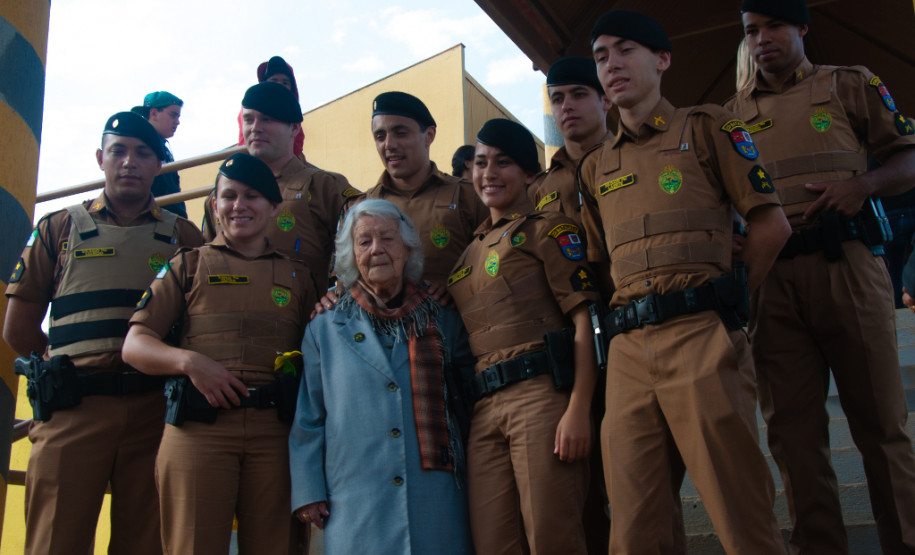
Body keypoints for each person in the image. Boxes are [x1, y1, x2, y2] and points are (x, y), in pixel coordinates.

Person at [580, 10, 792, 553]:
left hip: (702, 332)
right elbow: (603, 265)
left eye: (625, 49)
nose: (612, 65)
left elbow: (771, 224)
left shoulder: (707, 126)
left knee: (742, 517)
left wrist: (736, 302)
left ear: (662, 59)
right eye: (601, 56)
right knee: (633, 528)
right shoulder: (595, 167)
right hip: (628, 351)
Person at [725, 1, 915, 552]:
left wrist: (863, 186)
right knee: (793, 438)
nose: (762, 40)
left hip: (848, 265)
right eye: (752, 32)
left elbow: (908, 160)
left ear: (802, 28)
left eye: (774, 27)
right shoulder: (727, 117)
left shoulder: (849, 85)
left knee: (882, 426)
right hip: (772, 284)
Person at [2, 111, 203, 555]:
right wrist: (70, 369)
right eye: (119, 151)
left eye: (142, 153)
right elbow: (18, 328)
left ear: (157, 165)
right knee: (55, 540)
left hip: (155, 413)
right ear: (101, 158)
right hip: (74, 410)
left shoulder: (185, 238)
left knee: (147, 542)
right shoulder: (59, 228)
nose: (129, 162)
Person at [122, 152, 316, 554]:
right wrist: (189, 362)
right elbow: (135, 346)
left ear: (273, 207)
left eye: (251, 196)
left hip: (275, 436)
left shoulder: (299, 277)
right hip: (199, 431)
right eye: (228, 196)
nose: (238, 206)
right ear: (214, 204)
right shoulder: (188, 266)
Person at [448, 118, 599, 554]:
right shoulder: (466, 256)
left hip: (541, 398)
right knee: (494, 543)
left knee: (553, 539)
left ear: (530, 174)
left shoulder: (549, 230)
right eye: (480, 163)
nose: (488, 173)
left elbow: (584, 320)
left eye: (503, 162)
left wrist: (579, 408)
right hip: (484, 409)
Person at [289, 199, 475, 554]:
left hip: (436, 493)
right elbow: (309, 417)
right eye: (364, 241)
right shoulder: (325, 327)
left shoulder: (445, 318)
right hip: (356, 496)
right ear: (350, 255)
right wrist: (309, 491)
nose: (376, 249)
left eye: (387, 239)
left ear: (407, 248)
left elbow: (468, 400)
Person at [204, 81, 358, 292]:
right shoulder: (221, 196)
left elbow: (368, 242)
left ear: (294, 127)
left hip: (302, 318)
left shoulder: (324, 187)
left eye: (267, 119)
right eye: (249, 119)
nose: (255, 128)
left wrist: (339, 289)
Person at [359, 92, 488, 285]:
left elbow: (495, 266)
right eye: (380, 136)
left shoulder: (469, 196)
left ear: (429, 136)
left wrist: (457, 289)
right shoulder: (362, 207)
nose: (389, 145)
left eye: (400, 133)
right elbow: (348, 283)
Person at [528, 56, 612, 231]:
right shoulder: (539, 188)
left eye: (579, 95)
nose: (566, 106)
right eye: (557, 99)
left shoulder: (634, 158)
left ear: (606, 100)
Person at [237, 55, 306, 162]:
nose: (255, 128)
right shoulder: (250, 107)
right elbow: (244, 142)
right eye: (274, 80)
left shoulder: (291, 111)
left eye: (285, 82)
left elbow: (297, 142)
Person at [132, 91, 188, 218]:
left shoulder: (161, 147)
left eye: (178, 116)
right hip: (157, 221)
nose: (177, 122)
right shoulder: (142, 147)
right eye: (173, 115)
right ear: (154, 113)